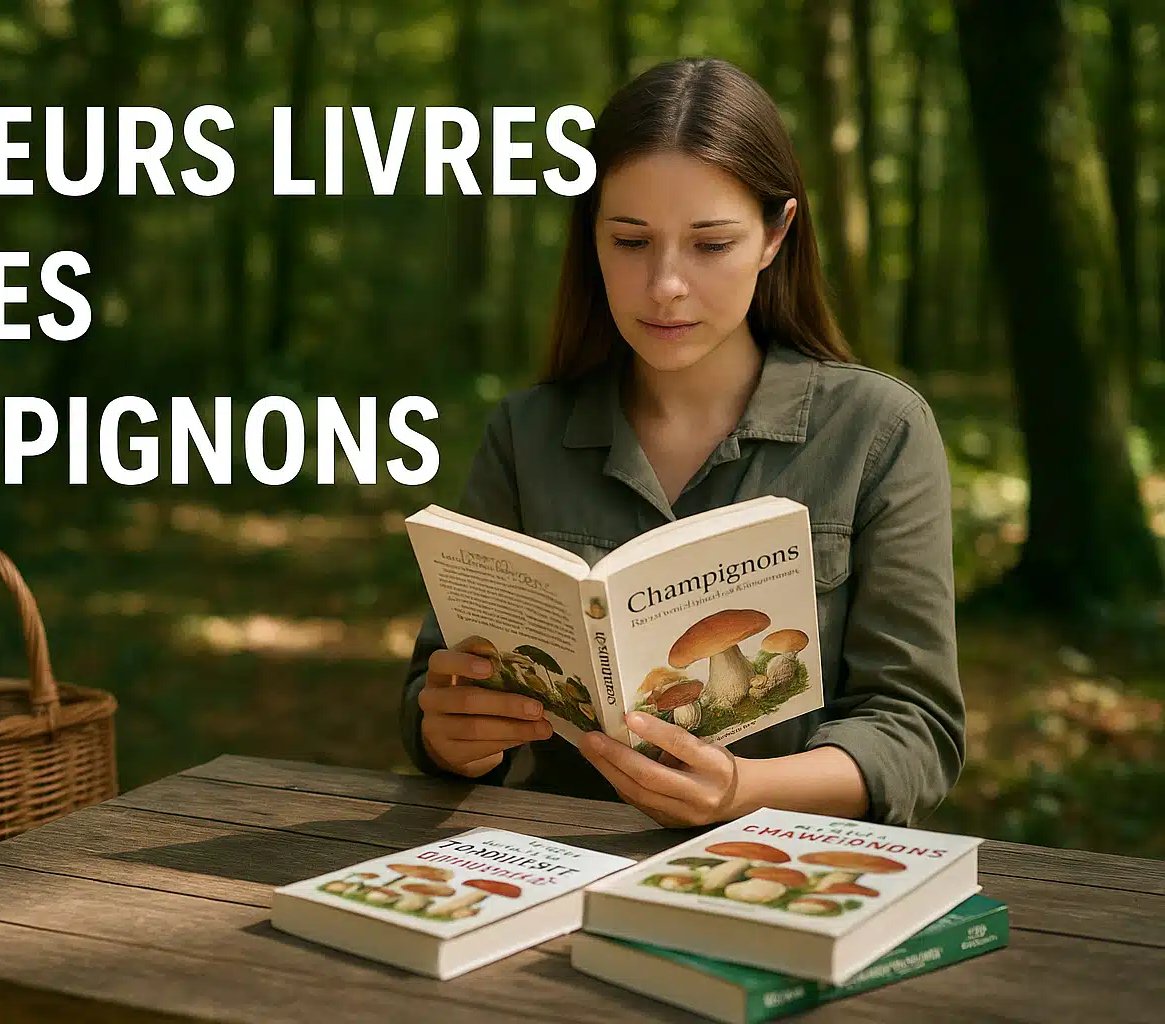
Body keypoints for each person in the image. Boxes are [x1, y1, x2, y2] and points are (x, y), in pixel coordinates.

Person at [399, 57, 965, 829]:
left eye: (710, 245)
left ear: (775, 235)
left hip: (785, 869)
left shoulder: (877, 431)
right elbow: (435, 698)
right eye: (631, 242)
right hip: (556, 871)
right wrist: (450, 734)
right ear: (590, 238)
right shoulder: (525, 434)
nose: (666, 285)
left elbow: (916, 730)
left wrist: (743, 789)